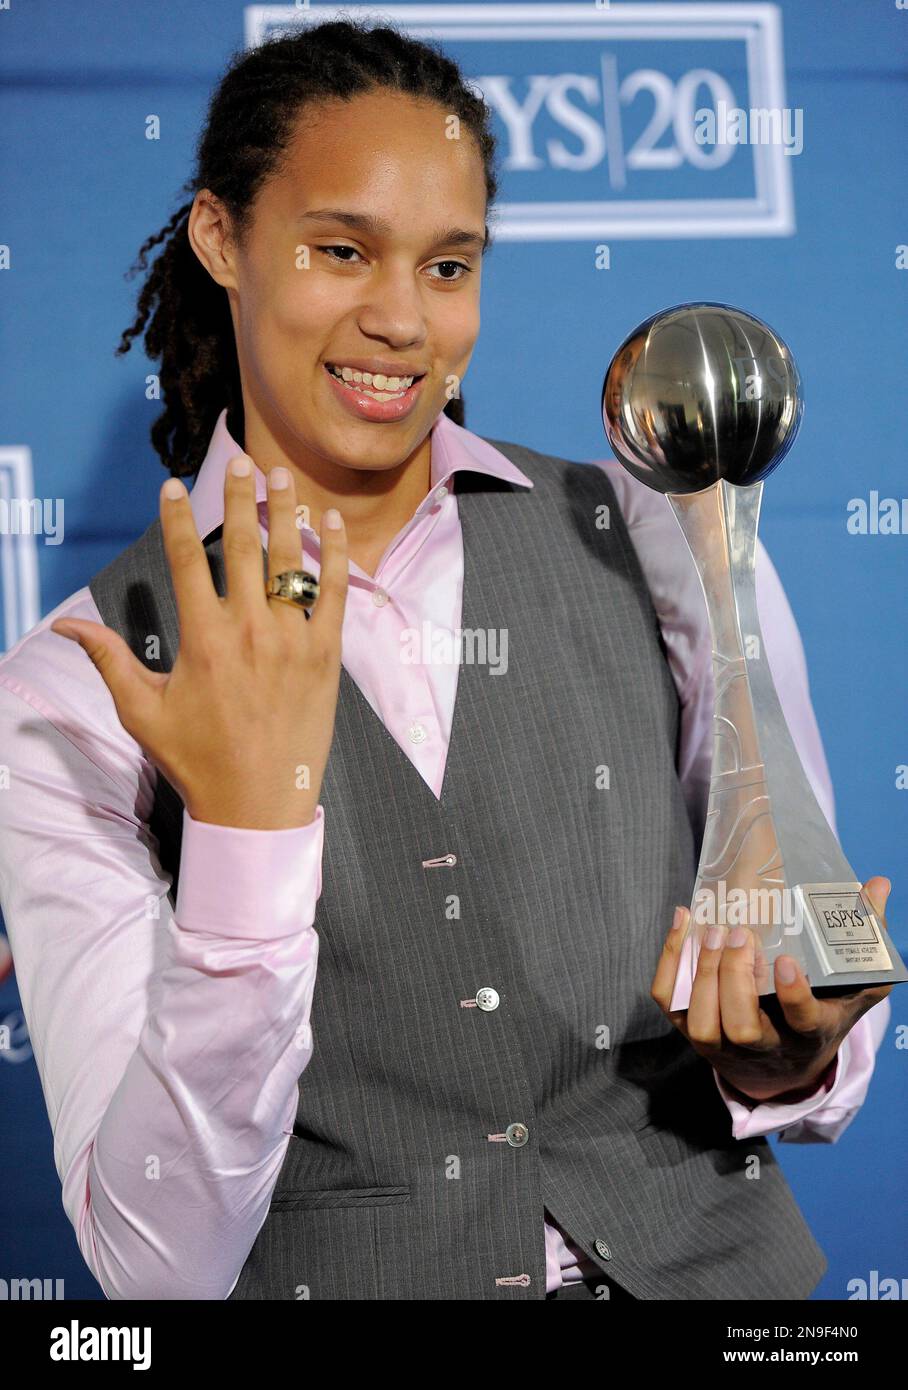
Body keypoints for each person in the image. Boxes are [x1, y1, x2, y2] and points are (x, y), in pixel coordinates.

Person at [0, 19, 891, 1302]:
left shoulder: (652, 525)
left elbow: (811, 942)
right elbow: (158, 1266)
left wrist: (788, 1058)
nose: (402, 322)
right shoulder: (76, 681)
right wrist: (248, 834)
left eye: (449, 264)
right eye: (340, 250)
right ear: (218, 239)